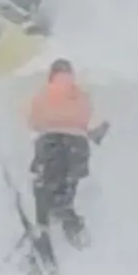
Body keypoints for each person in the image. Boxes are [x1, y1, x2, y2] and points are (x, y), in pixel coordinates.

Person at [27, 59, 108, 246]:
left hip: (51, 144)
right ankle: (77, 236)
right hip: (78, 147)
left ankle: (43, 229)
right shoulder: (81, 94)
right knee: (66, 191)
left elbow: (34, 121)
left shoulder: (44, 92)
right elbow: (92, 121)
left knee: (43, 187)